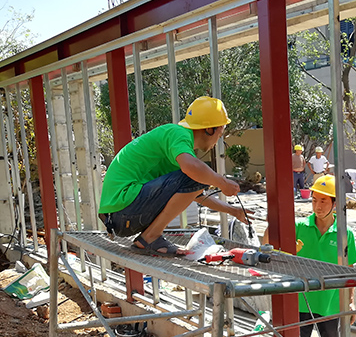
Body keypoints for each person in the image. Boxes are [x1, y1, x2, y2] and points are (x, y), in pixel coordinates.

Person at [98, 96, 249, 256]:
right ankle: (150, 237)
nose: (218, 141)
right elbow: (192, 171)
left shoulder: (178, 146)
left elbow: (195, 193)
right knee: (199, 173)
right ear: (209, 129)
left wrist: (233, 211)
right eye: (220, 134)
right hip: (124, 209)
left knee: (198, 175)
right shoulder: (178, 134)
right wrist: (223, 182)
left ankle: (149, 236)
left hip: (119, 216)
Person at [263, 175, 356, 337]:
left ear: (335, 203)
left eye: (323, 201)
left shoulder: (345, 234)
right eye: (314, 200)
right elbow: (268, 246)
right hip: (300, 300)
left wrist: (350, 301)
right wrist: (272, 223)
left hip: (329, 302)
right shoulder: (299, 226)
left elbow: (348, 269)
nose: (317, 206)